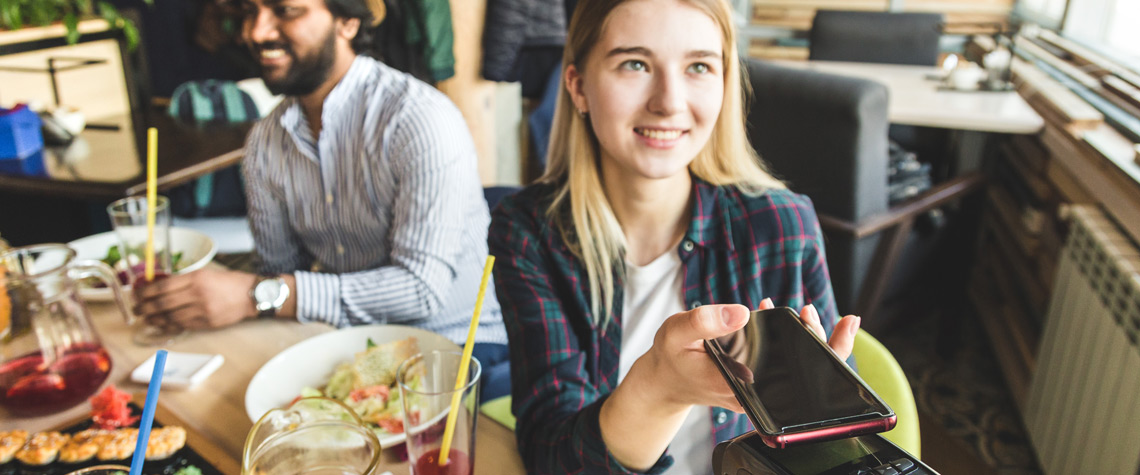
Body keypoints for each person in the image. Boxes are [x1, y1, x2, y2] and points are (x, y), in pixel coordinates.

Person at [487, 0, 862, 473]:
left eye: (699, 66)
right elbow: (551, 457)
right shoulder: (527, 233)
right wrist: (660, 389)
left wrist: (819, 412)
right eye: (635, 64)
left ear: (725, 84)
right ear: (578, 86)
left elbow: (835, 452)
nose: (668, 101)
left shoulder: (783, 224)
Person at [133, 0, 509, 396]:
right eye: (250, 12)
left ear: (347, 21)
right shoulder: (265, 142)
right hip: (349, 349)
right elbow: (277, 270)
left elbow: (421, 290)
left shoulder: (418, 119)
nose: (256, 32)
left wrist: (253, 296)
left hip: (459, 349)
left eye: (285, 10)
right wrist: (231, 296)